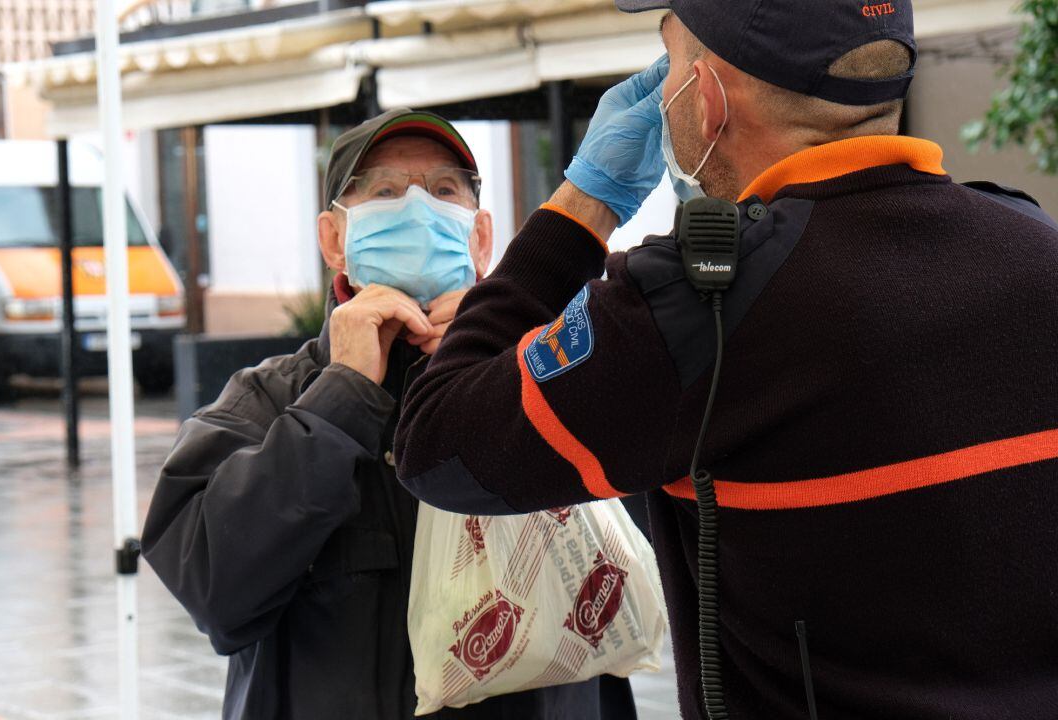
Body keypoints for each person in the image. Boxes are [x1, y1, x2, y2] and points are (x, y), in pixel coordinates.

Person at [394, 1, 1058, 719]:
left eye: (670, 60)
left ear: (704, 99)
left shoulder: (694, 307)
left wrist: (581, 206)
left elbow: (439, 445)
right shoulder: (1037, 249)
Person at [141, 109, 637, 720]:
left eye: (443, 190)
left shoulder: (544, 369)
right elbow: (216, 592)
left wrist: (510, 365)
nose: (417, 211)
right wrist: (343, 393)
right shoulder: (262, 403)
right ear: (334, 240)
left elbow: (633, 549)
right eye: (384, 192)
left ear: (480, 238)